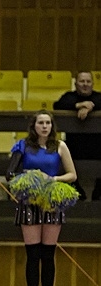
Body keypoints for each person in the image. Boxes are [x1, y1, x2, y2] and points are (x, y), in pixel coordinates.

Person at [6, 111, 78, 286]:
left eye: (48, 123)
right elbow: (10, 173)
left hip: (52, 203)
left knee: (48, 255)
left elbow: (72, 175)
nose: (45, 126)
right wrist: (30, 176)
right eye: (41, 123)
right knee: (33, 254)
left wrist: (52, 179)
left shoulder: (60, 146)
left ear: (52, 126)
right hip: (30, 202)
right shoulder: (23, 146)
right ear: (34, 126)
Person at [53, 71, 101, 200]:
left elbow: (98, 101)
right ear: (75, 84)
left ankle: (98, 193)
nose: (85, 84)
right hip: (74, 146)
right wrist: (78, 105)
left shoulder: (98, 97)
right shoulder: (69, 97)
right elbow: (57, 105)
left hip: (97, 146)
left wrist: (91, 106)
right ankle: (78, 193)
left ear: (92, 83)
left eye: (88, 81)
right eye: (82, 81)